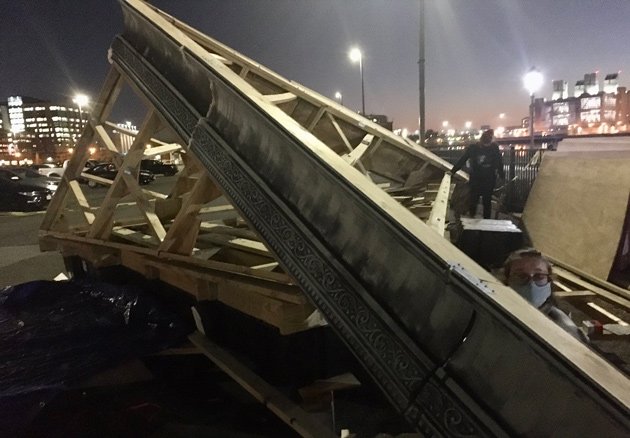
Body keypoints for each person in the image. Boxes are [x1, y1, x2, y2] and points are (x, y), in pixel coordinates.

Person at [503, 248, 589, 343]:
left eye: (539, 276)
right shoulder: (495, 307)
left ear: (549, 281)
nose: (531, 283)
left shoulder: (566, 331)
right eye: (520, 275)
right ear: (507, 280)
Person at [450, 129, 504, 219]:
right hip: (478, 178)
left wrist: (502, 175)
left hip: (487, 179)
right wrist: (453, 171)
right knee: (475, 200)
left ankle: (484, 220)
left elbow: (499, 162)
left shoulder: (493, 147)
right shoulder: (473, 148)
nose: (486, 147)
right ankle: (473, 219)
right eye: (485, 145)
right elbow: (463, 159)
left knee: (485, 201)